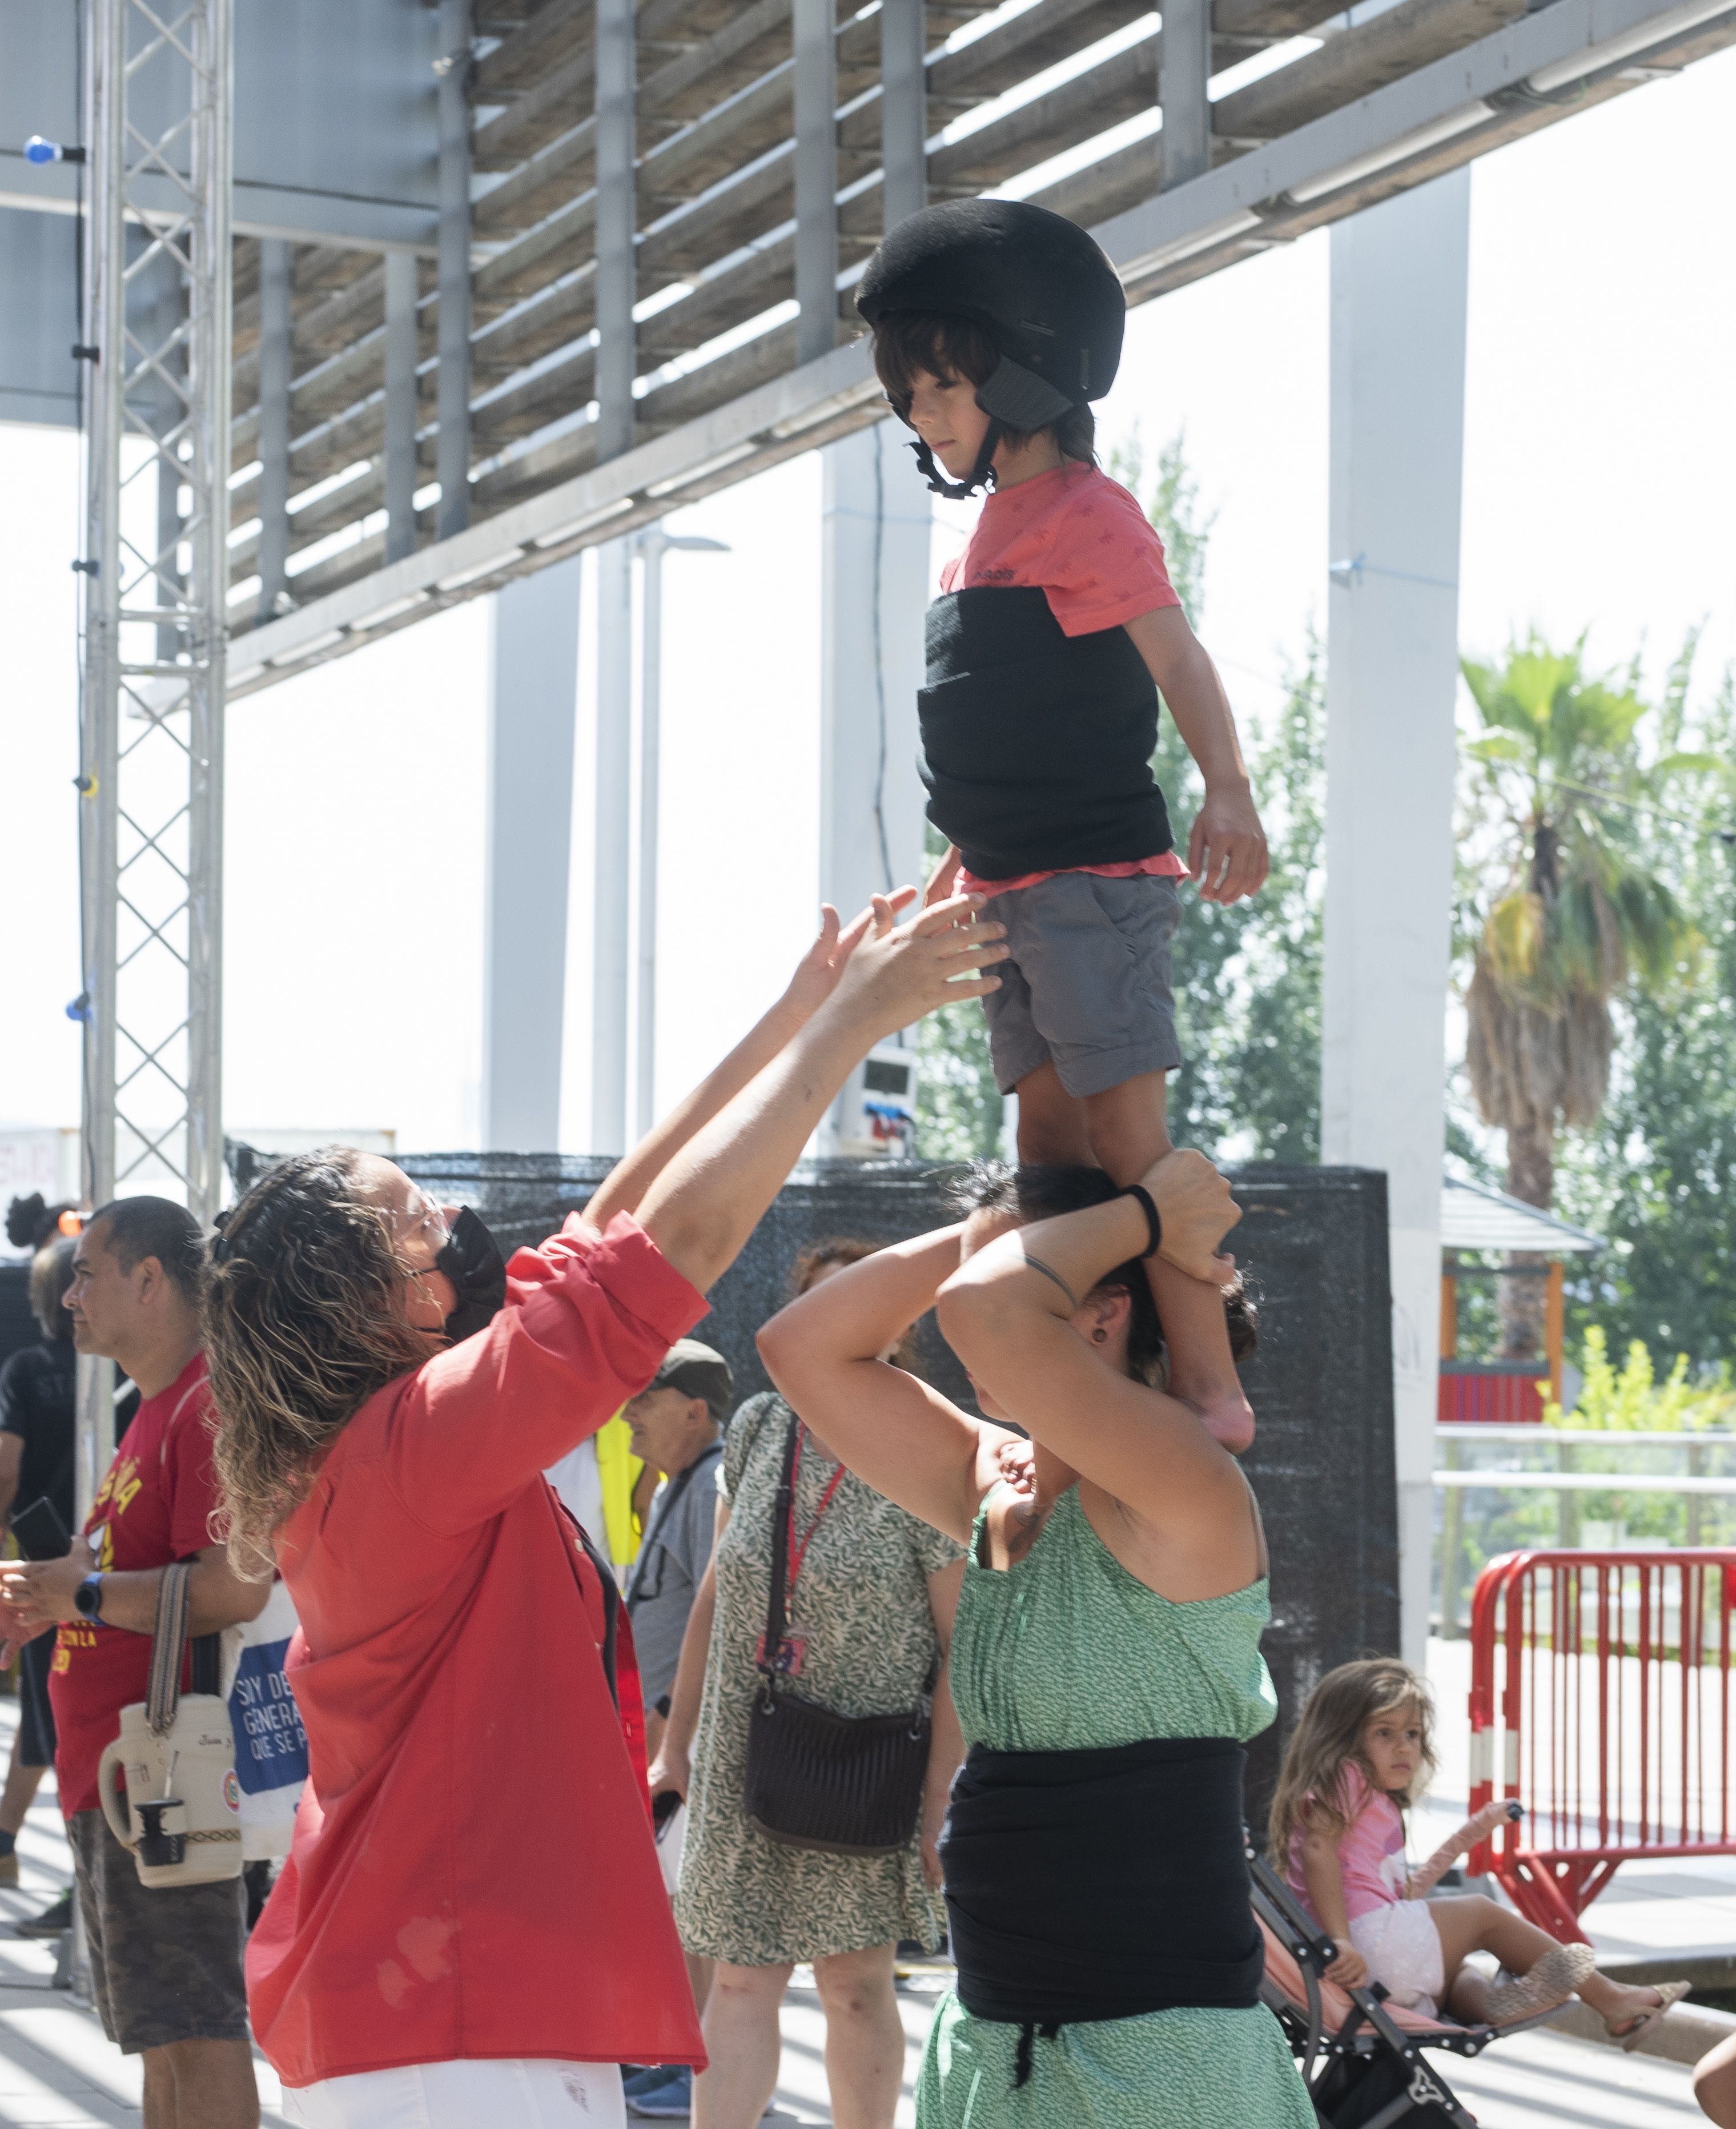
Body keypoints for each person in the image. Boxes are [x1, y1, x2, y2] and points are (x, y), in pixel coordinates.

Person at [197, 891, 1005, 2128]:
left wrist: (798, 1011)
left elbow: (611, 1226)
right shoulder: (417, 1446)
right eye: (419, 1218)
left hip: (443, 2009)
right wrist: (851, 1024)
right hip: (449, 2021)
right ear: (371, 1303)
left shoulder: (387, 1445)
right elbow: (661, 1245)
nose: (456, 1229)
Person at [755, 1155, 1311, 2128]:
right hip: (997, 2042)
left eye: (1002, 1265)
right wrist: (999, 1231)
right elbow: (801, 1346)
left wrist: (1137, 1215)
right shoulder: (993, 1478)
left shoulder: (1184, 1478)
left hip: (1159, 2063)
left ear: (1100, 1311)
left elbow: (987, 1312)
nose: (948, 1312)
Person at [856, 198, 1269, 1453]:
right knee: (1040, 1135)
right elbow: (991, 752)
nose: (921, 416)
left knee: (1130, 1136)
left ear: (1024, 367)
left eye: (939, 387)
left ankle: (1207, 1385)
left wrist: (1228, 787)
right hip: (1012, 885)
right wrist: (951, 877)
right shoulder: (979, 541)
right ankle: (1073, 1356)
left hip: (1095, 880)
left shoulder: (1091, 514)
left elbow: (1177, 660)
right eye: (910, 394)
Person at [645, 1240, 965, 2129]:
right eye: (822, 1308)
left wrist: (938, 1795)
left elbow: (959, 1641)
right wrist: (677, 1748)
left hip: (862, 1763)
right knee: (740, 1980)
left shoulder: (930, 1439)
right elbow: (718, 1591)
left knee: (855, 1984)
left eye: (862, 1307)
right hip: (747, 1753)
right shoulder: (759, 1426)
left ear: (899, 1327)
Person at [0, 1197, 270, 2129]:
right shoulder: (160, 1406)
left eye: (85, 1274)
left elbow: (234, 1586)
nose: (68, 1295)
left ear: (149, 1279)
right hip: (128, 1775)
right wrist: (51, 1599)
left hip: (166, 1773)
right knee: (164, 2031)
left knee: (197, 2026)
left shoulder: (204, 1402)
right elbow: (124, 1584)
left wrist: (77, 1594)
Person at [1271, 1658, 1689, 2039]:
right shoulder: (1345, 1775)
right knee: (1482, 1914)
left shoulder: (1364, 1799)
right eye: (1385, 1733)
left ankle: (1489, 2005)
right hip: (1365, 1942)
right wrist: (1342, 1940)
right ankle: (1612, 1998)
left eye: (1413, 1734)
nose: (1404, 1747)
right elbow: (1318, 1852)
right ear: (1340, 1738)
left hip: (1373, 1958)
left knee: (1459, 1972)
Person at [0, 1236, 77, 1893]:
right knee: (69, 1700)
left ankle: (6, 1843)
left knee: (48, 1697)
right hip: (120, 1556)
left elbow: (5, 1466)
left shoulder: (26, 1367)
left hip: (43, 1558)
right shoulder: (129, 1368)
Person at [625, 1339, 733, 1764]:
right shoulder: (677, 1482)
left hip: (671, 1746)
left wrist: (668, 1719)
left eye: (644, 1401)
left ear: (696, 1413)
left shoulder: (712, 1486)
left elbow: (720, 1618)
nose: (626, 1414)